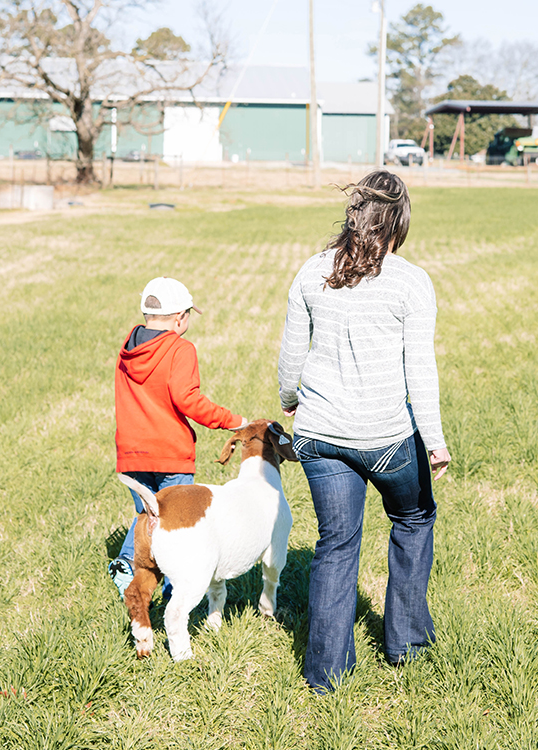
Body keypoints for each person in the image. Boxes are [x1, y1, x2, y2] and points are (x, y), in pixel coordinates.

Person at [278, 169, 451, 693]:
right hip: (387, 439)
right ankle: (407, 644)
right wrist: (436, 442)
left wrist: (290, 403)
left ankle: (325, 674)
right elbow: (421, 370)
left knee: (336, 542)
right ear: (398, 222)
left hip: (319, 435)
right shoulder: (410, 280)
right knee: (415, 517)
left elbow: (291, 358)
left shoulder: (312, 271)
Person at [109, 276, 245, 600]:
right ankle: (174, 596)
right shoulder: (180, 349)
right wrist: (232, 420)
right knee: (173, 528)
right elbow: (188, 400)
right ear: (180, 318)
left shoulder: (127, 349)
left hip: (131, 454)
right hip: (169, 453)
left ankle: (131, 568)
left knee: (146, 516)